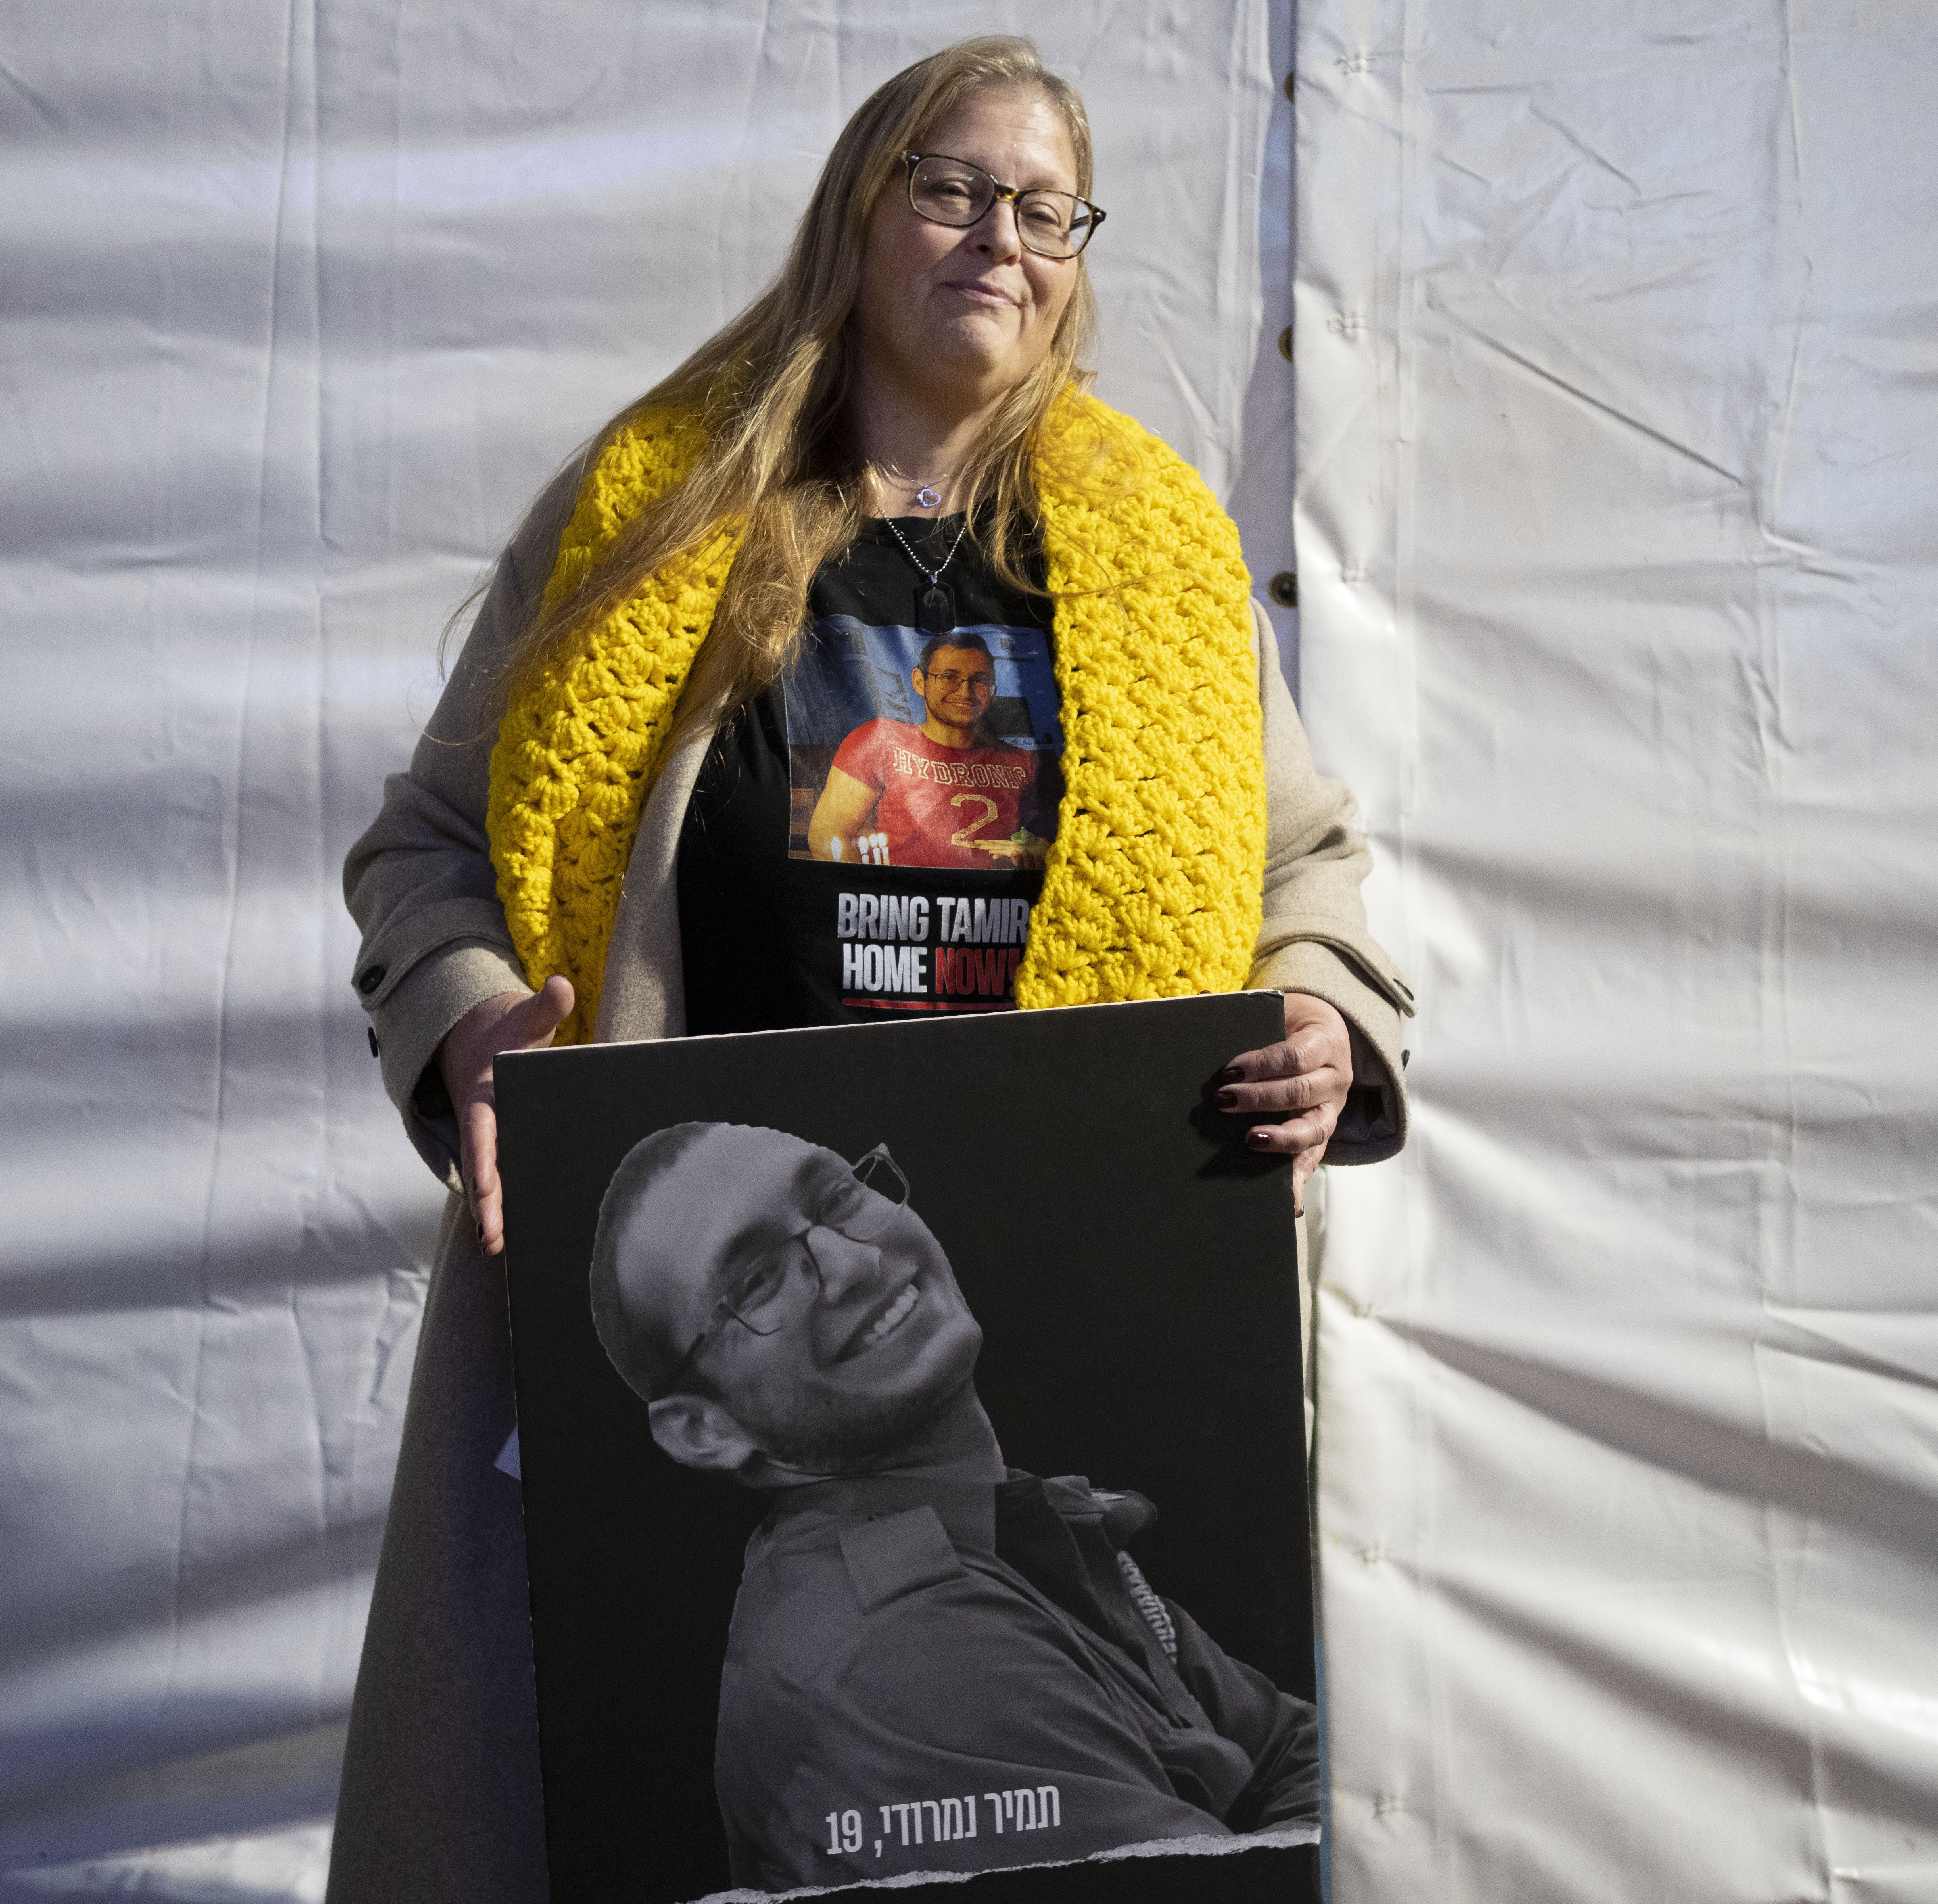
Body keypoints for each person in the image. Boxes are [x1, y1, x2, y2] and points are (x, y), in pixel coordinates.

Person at [330, 35, 1414, 1903]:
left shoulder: (1160, 560)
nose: (1001, 232)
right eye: (950, 186)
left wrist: (1320, 1007)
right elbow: (425, 844)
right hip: (703, 1318)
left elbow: (1300, 870)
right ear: (857, 215)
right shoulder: (653, 509)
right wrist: (466, 1020)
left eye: (1043, 204)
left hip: (1060, 1282)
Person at [592, 1123, 1319, 1892]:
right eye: (757, 1281)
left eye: (840, 1196)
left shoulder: (1010, 1523)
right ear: (703, 1429)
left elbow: (1294, 1749)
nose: (854, 1260)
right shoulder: (899, 1654)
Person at [806, 630, 1052, 869]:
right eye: (948, 677)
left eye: (980, 680)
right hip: (903, 903)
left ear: (993, 691)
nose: (965, 691)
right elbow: (827, 834)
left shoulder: (1023, 760)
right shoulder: (881, 738)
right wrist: (877, 896)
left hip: (992, 905)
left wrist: (1043, 851)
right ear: (919, 682)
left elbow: (1044, 838)